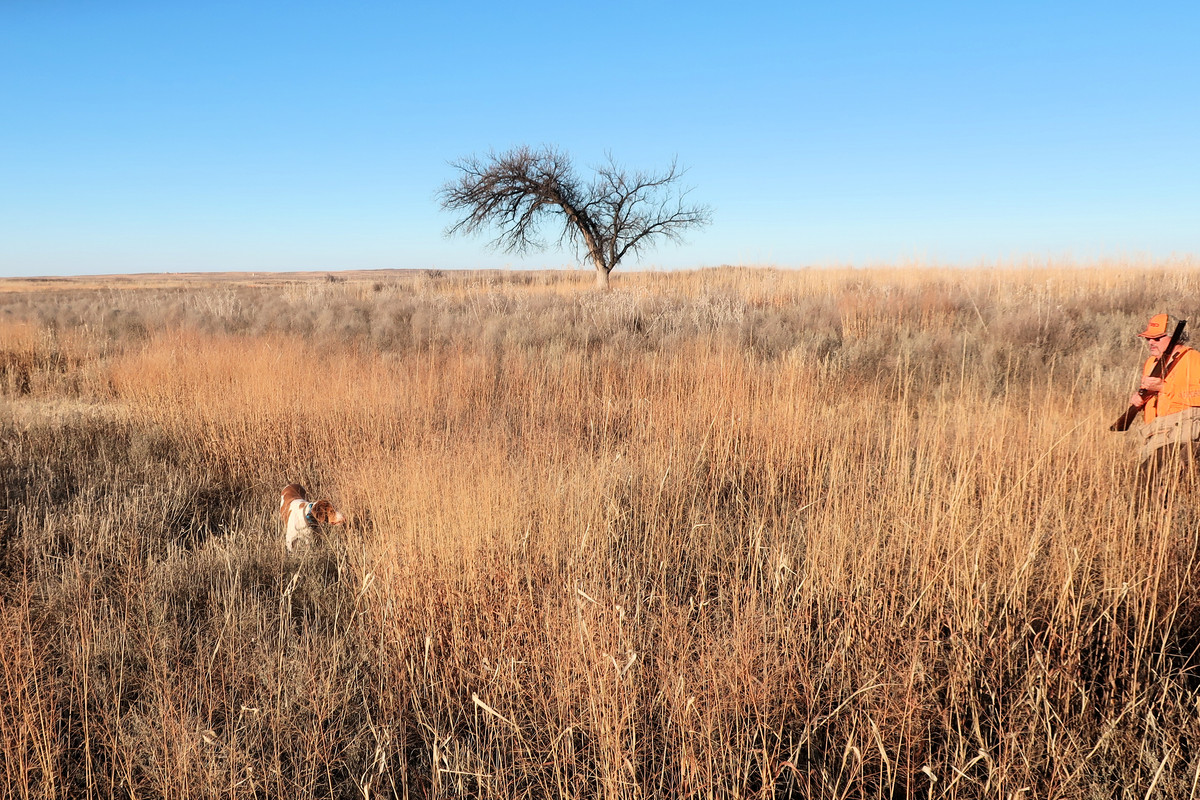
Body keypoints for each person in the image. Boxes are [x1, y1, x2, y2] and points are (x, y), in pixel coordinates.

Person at [1126, 313, 1200, 473]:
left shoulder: (1193, 359)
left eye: (1157, 338)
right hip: (1155, 432)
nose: (1150, 342)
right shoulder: (1151, 362)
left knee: (1157, 482)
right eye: (1148, 338)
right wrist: (1140, 400)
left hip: (1181, 432)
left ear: (1175, 338)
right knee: (1145, 482)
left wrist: (1164, 387)